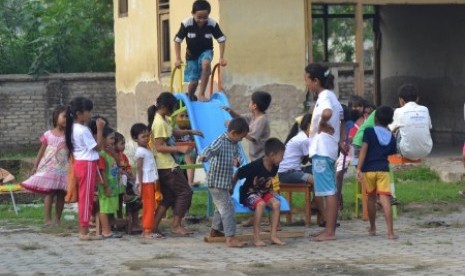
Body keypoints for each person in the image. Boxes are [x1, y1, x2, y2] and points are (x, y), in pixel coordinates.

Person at [305, 63, 345, 242]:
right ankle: (328, 229)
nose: (306, 83)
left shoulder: (325, 97)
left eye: (307, 79)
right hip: (328, 148)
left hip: (322, 149)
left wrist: (321, 123)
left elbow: (327, 113)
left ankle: (329, 231)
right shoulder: (332, 97)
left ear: (316, 81)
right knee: (329, 189)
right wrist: (342, 140)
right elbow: (342, 119)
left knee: (329, 191)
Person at [148, 92, 194, 237]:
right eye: (172, 108)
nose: (173, 111)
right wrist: (179, 148)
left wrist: (191, 131)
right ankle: (176, 225)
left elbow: (172, 132)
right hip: (166, 165)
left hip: (166, 164)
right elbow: (160, 146)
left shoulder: (163, 119)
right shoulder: (159, 123)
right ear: (164, 107)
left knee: (168, 197)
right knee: (185, 191)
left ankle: (154, 226)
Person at [199, 117, 249, 248]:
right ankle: (230, 237)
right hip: (215, 182)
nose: (242, 140)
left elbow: (239, 156)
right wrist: (204, 157)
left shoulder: (234, 143)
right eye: (241, 137)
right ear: (233, 133)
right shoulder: (221, 141)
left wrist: (237, 161)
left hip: (224, 182)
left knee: (221, 207)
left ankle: (215, 231)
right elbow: (210, 149)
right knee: (228, 208)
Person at [64, 97, 105, 241]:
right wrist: (100, 130)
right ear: (79, 113)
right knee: (86, 198)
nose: (89, 114)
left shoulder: (73, 128)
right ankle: (84, 231)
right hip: (86, 164)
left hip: (82, 163)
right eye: (88, 111)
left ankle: (85, 228)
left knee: (85, 197)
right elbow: (98, 147)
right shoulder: (82, 130)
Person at [21, 105, 69, 226]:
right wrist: (35, 166)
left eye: (68, 117)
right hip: (48, 169)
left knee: (61, 194)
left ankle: (57, 219)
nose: (66, 119)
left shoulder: (69, 135)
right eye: (64, 116)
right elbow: (41, 151)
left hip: (63, 170)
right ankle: (47, 220)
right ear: (55, 117)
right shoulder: (48, 134)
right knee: (49, 193)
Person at [235, 138, 286, 247]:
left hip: (263, 192)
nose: (283, 158)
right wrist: (231, 188)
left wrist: (271, 190)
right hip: (249, 193)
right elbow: (239, 173)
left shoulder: (275, 166)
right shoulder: (255, 166)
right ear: (272, 155)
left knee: (276, 204)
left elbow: (269, 179)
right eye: (281, 156)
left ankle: (273, 236)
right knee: (261, 204)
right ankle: (256, 238)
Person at [356, 106, 398, 240]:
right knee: (385, 199)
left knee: (371, 198)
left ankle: (373, 228)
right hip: (383, 170)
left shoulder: (368, 131)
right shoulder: (391, 137)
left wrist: (359, 168)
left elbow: (363, 150)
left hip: (369, 170)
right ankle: (390, 232)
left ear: (375, 118)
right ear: (390, 121)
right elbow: (392, 152)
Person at [174, 0, 227, 101]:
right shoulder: (186, 24)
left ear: (208, 15)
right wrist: (178, 58)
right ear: (192, 14)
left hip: (206, 51)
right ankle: (190, 96)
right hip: (191, 56)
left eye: (205, 17)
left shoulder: (212, 24)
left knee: (206, 64)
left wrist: (221, 57)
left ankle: (201, 94)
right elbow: (177, 41)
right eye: (199, 17)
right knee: (193, 82)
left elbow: (221, 40)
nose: (202, 20)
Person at [223, 91, 272, 161]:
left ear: (254, 106)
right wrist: (231, 111)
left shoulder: (261, 120)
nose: (249, 104)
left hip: (261, 157)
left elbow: (252, 138)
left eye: (250, 102)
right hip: (255, 155)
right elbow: (240, 117)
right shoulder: (253, 116)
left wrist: (234, 127)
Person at [130, 123, 160, 239]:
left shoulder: (147, 149)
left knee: (151, 205)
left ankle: (148, 228)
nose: (146, 138)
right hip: (145, 182)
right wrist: (140, 185)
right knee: (148, 205)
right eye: (143, 136)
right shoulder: (140, 152)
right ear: (135, 138)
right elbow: (139, 169)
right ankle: (147, 230)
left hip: (151, 180)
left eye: (147, 136)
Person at [389, 84, 433, 160]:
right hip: (426, 150)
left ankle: (397, 158)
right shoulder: (425, 109)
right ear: (417, 99)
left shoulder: (399, 111)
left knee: (397, 131)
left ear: (401, 100)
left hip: (407, 152)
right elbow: (429, 127)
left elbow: (389, 129)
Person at [96, 126, 122, 239]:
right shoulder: (101, 155)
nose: (113, 141)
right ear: (103, 139)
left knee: (110, 208)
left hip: (113, 186)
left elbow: (119, 163)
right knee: (105, 209)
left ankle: (109, 229)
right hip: (107, 187)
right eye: (111, 138)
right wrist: (106, 186)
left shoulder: (110, 153)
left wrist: (113, 153)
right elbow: (101, 172)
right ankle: (106, 231)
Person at [114, 132, 142, 233]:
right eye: (121, 143)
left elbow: (128, 168)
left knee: (133, 184)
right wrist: (125, 173)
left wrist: (132, 176)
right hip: (117, 181)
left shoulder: (124, 156)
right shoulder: (113, 156)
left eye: (124, 143)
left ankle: (131, 220)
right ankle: (125, 195)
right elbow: (117, 170)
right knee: (124, 177)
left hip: (125, 180)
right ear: (114, 144)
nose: (124, 146)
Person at [173, 110, 204, 187]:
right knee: (188, 156)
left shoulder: (191, 128)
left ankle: (190, 181)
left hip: (190, 154)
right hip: (177, 155)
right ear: (175, 118)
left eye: (187, 116)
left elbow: (196, 142)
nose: (184, 118)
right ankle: (190, 182)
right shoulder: (174, 129)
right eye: (181, 116)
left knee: (190, 154)